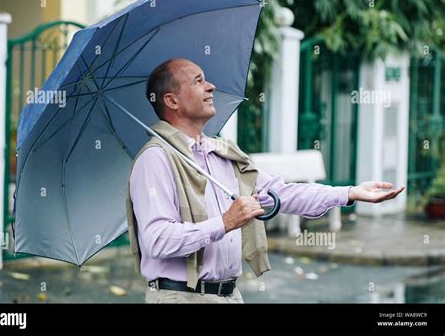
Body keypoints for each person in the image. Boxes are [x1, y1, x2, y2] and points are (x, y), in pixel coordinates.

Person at [127, 58, 404, 304]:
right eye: (198, 81)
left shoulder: (221, 155)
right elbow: (157, 240)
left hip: (228, 294)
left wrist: (350, 193)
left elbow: (284, 193)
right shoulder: (155, 159)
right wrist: (224, 223)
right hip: (180, 297)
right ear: (172, 101)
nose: (210, 86)